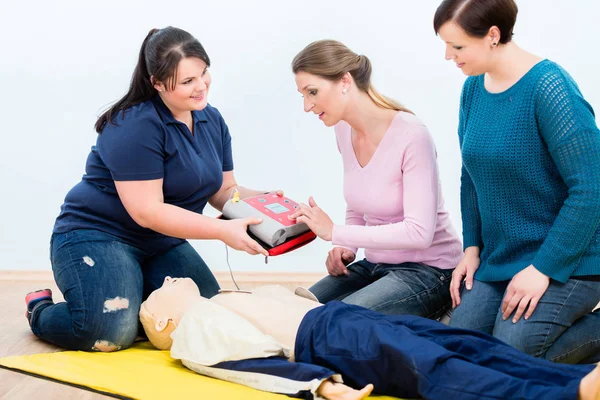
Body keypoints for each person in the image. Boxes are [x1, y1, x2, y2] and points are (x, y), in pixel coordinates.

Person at [25, 26, 274, 353]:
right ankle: (39, 310)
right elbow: (148, 211)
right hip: (98, 235)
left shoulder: (211, 119)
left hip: (162, 242)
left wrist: (271, 206)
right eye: (188, 82)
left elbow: (224, 190)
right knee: (109, 334)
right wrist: (222, 230)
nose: (201, 86)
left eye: (204, 73)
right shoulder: (134, 125)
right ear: (156, 83)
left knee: (210, 316)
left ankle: (131, 292)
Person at [433, 0, 600, 363]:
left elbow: (591, 189)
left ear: (492, 35)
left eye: (457, 46)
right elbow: (471, 175)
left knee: (509, 355)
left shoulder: (550, 88)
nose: (448, 55)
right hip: (503, 257)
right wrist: (472, 248)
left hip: (570, 258)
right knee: (456, 349)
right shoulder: (473, 89)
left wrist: (543, 269)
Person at [139, 276, 600, 400]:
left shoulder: (211, 304)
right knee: (438, 370)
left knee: (466, 345)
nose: (171, 279)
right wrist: (318, 383)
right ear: (163, 324)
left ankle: (579, 379)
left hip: (342, 320)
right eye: (162, 291)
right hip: (332, 341)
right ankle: (568, 392)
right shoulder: (195, 331)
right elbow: (248, 368)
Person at [289, 40, 462, 318]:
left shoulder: (412, 135)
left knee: (334, 323)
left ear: (345, 80)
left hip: (430, 271)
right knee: (297, 312)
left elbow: (419, 233)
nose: (307, 106)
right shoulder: (343, 129)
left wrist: (335, 232)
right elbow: (359, 205)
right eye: (303, 95)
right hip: (376, 264)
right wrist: (346, 247)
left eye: (313, 92)